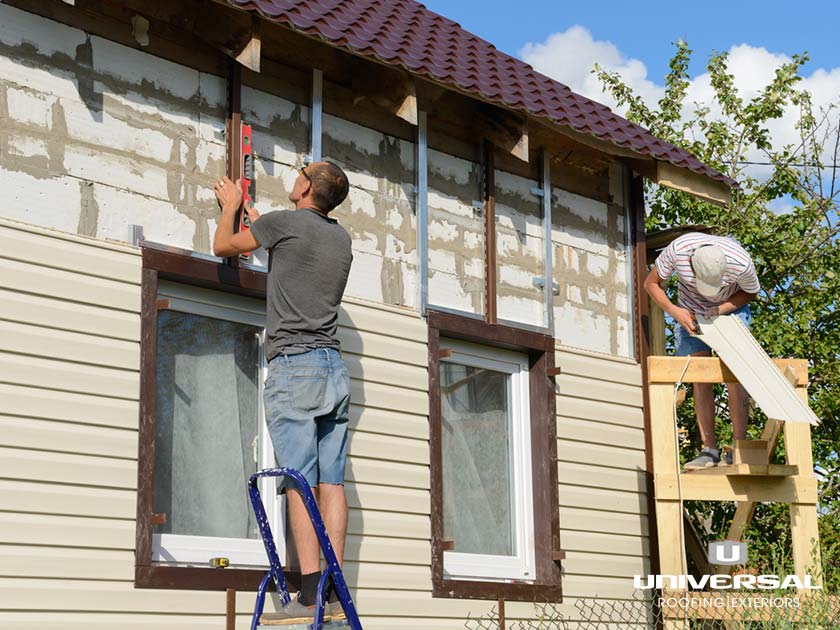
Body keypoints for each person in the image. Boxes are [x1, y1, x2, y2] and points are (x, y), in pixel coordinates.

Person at [213, 162, 353, 620]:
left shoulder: (283, 224)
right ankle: (331, 589)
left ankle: (309, 592)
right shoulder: (340, 239)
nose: (296, 175)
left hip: (295, 367)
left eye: (301, 171)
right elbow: (284, 240)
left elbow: (223, 245)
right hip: (335, 370)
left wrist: (232, 208)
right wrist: (257, 215)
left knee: (299, 481)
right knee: (331, 483)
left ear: (308, 186)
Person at [644, 232, 760, 470]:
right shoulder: (678, 251)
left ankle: (739, 447)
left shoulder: (741, 262)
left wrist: (722, 308)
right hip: (689, 313)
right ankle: (709, 451)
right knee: (700, 375)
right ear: (692, 267)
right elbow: (650, 283)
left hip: (730, 310)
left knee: (735, 372)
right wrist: (675, 312)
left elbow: (750, 292)